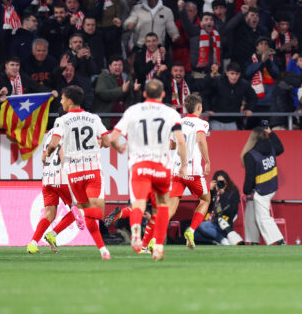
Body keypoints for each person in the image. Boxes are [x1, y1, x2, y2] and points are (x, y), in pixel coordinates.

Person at [110, 79, 187, 261]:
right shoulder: (170, 113)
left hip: (140, 165)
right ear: (163, 94)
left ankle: (136, 232)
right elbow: (180, 141)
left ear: (144, 94)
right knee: (161, 206)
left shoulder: (133, 111)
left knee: (138, 204)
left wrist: (119, 147)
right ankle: (158, 246)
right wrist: (183, 165)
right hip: (161, 167)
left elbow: (113, 137)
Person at [43, 86, 111, 260]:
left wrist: (47, 153)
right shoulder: (94, 118)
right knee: (97, 213)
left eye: (62, 99)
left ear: (69, 100)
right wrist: (98, 144)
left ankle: (103, 250)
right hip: (92, 170)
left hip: (74, 174)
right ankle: (94, 217)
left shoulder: (62, 121)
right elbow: (107, 142)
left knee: (86, 211)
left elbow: (53, 144)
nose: (61, 102)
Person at [27, 131, 82, 255]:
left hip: (47, 178)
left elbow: (43, 158)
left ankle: (33, 244)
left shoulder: (49, 135)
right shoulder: (70, 132)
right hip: (63, 178)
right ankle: (53, 234)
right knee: (80, 208)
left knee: (49, 215)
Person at [168, 93, 211, 249]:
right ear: (199, 107)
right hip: (193, 171)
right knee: (205, 199)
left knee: (171, 208)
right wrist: (207, 161)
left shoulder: (178, 122)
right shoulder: (202, 123)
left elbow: (171, 145)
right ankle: (191, 230)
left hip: (177, 170)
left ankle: (153, 238)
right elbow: (201, 140)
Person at [242, 126, 285, 245]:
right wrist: (272, 134)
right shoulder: (271, 147)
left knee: (263, 217)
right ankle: (253, 240)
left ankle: (279, 240)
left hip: (261, 190)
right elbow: (280, 148)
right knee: (250, 210)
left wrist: (247, 191)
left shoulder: (250, 155)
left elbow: (250, 177)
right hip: (272, 186)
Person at [193, 170, 244, 245]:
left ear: (227, 182)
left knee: (202, 226)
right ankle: (216, 241)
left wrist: (222, 194)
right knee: (192, 232)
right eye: (218, 182)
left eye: (222, 182)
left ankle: (222, 239)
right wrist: (210, 191)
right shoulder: (214, 192)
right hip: (211, 222)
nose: (220, 184)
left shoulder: (233, 193)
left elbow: (230, 211)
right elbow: (208, 208)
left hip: (223, 224)